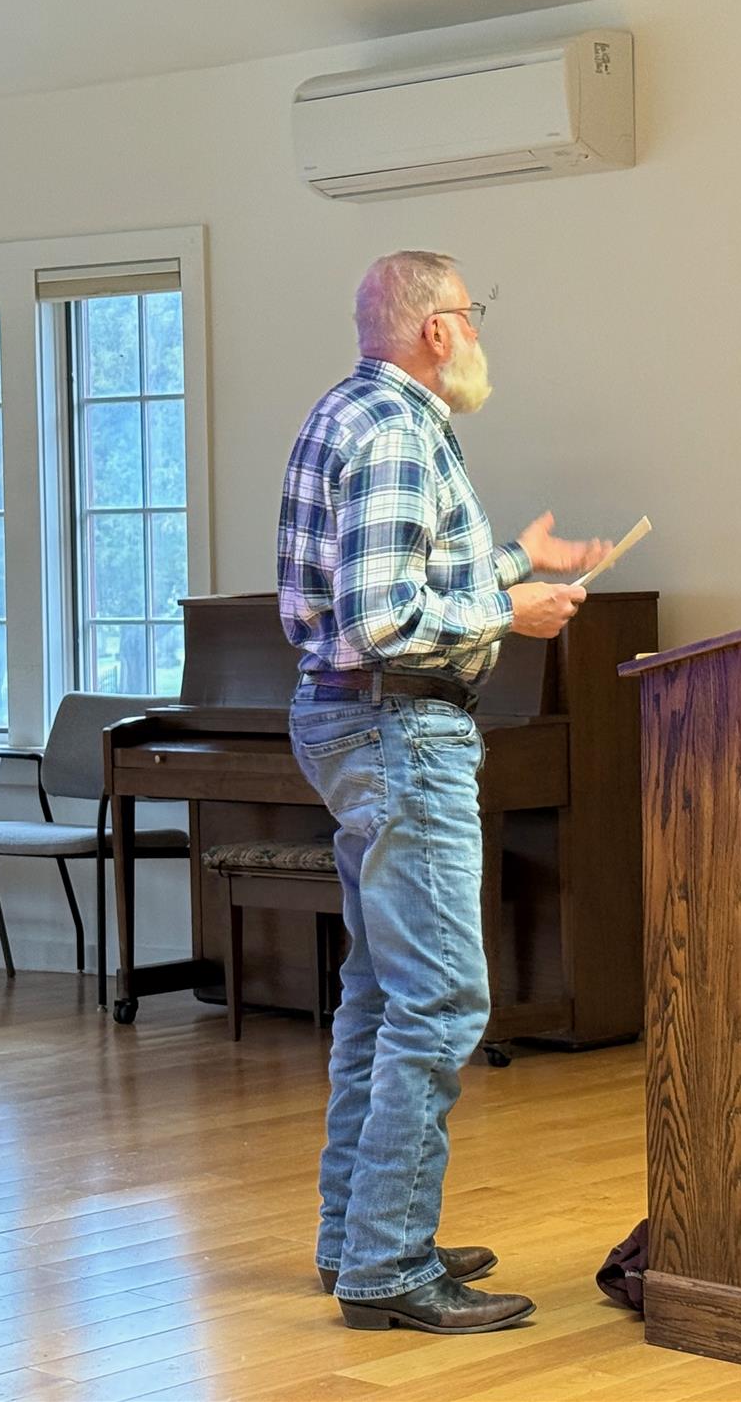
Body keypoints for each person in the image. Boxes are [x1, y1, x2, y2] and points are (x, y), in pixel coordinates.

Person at [276, 250, 609, 1334]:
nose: (479, 332)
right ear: (434, 330)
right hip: (400, 724)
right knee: (442, 1001)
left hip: (352, 718)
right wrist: (512, 618)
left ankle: (358, 1236)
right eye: (473, 313)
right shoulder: (398, 431)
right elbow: (382, 620)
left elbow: (394, 584)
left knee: (379, 991)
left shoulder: (348, 412)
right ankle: (388, 1265)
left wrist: (511, 562)